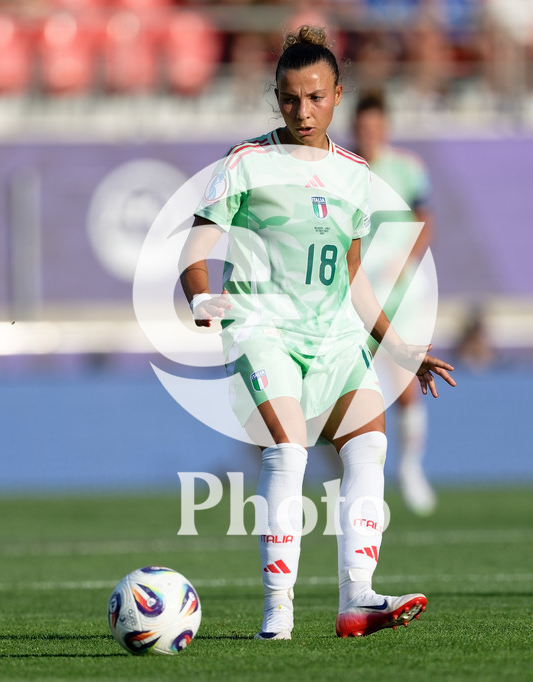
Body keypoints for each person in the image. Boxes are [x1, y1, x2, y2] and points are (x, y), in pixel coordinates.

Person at [179, 25, 456, 640]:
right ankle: (278, 612)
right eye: (288, 98)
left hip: (335, 337)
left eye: (315, 97)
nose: (302, 111)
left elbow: (354, 278)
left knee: (369, 446)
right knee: (290, 448)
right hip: (262, 329)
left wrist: (397, 344)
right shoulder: (246, 163)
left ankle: (357, 599)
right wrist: (200, 293)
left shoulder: (356, 175)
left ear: (338, 94)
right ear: (275, 97)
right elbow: (196, 249)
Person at [351, 88, 438, 516]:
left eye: (374, 127)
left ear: (384, 127)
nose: (367, 134)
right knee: (348, 392)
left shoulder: (406, 169)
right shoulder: (345, 170)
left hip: (399, 298)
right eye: (361, 128)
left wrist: (404, 259)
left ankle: (409, 469)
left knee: (404, 388)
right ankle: (360, 481)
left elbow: (426, 220)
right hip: (355, 298)